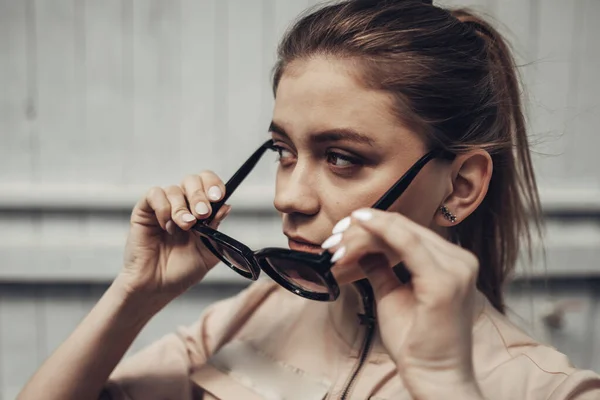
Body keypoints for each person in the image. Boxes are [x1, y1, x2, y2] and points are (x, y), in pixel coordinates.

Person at [18, 0, 600, 399]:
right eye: (283, 151)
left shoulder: (544, 386)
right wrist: (135, 294)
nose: (287, 198)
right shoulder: (255, 312)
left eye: (343, 157)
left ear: (461, 186)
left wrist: (443, 381)